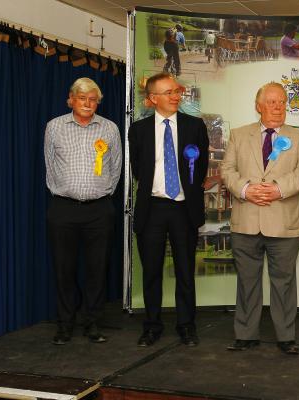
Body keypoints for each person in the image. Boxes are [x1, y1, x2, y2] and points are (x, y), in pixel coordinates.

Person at [221, 82, 299, 355]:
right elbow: (227, 170)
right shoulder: (238, 135)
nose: (278, 107)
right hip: (246, 220)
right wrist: (247, 190)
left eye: (282, 102)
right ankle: (245, 334)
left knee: (284, 282)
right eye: (272, 102)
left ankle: (286, 337)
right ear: (258, 105)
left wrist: (278, 189)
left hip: (284, 222)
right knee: (247, 280)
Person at [128, 72, 209, 347]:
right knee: (151, 271)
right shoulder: (138, 130)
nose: (176, 96)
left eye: (177, 91)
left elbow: (200, 169)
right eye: (169, 92)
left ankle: (187, 325)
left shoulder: (195, 126)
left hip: (183, 209)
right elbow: (138, 168)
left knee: (186, 271)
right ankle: (151, 326)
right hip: (152, 208)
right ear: (152, 99)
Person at [44, 77, 122, 345]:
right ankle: (65, 324)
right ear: (71, 99)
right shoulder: (54, 127)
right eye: (82, 98)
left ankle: (92, 323)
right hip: (63, 209)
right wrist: (66, 190)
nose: (88, 103)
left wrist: (98, 194)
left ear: (97, 102)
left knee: (97, 270)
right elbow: (50, 165)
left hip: (99, 210)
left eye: (93, 99)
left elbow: (115, 168)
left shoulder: (110, 129)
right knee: (63, 270)